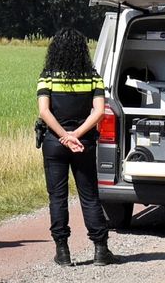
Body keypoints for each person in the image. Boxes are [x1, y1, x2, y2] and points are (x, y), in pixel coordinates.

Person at [37, 28, 116, 267]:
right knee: (89, 195)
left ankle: (63, 252)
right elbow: (100, 111)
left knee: (57, 197)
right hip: (85, 143)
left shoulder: (47, 76)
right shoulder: (92, 77)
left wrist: (64, 136)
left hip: (54, 143)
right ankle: (101, 249)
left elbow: (44, 111)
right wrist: (77, 135)